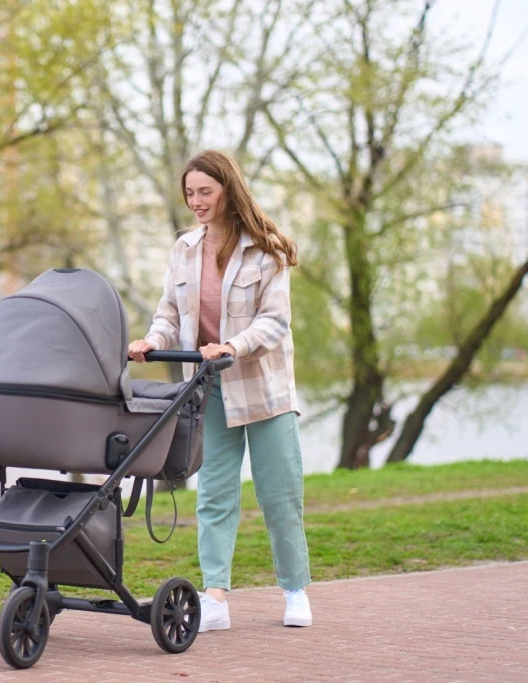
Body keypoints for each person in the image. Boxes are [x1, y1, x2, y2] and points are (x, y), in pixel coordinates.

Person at [128, 150, 312, 631]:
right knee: (214, 493)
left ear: (227, 189)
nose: (196, 202)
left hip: (264, 391)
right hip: (209, 388)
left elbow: (275, 322)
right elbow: (171, 312)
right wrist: (153, 341)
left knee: (280, 495)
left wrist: (232, 344)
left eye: (204, 192)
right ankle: (215, 598)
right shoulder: (185, 248)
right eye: (189, 193)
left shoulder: (266, 249)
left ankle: (295, 591)